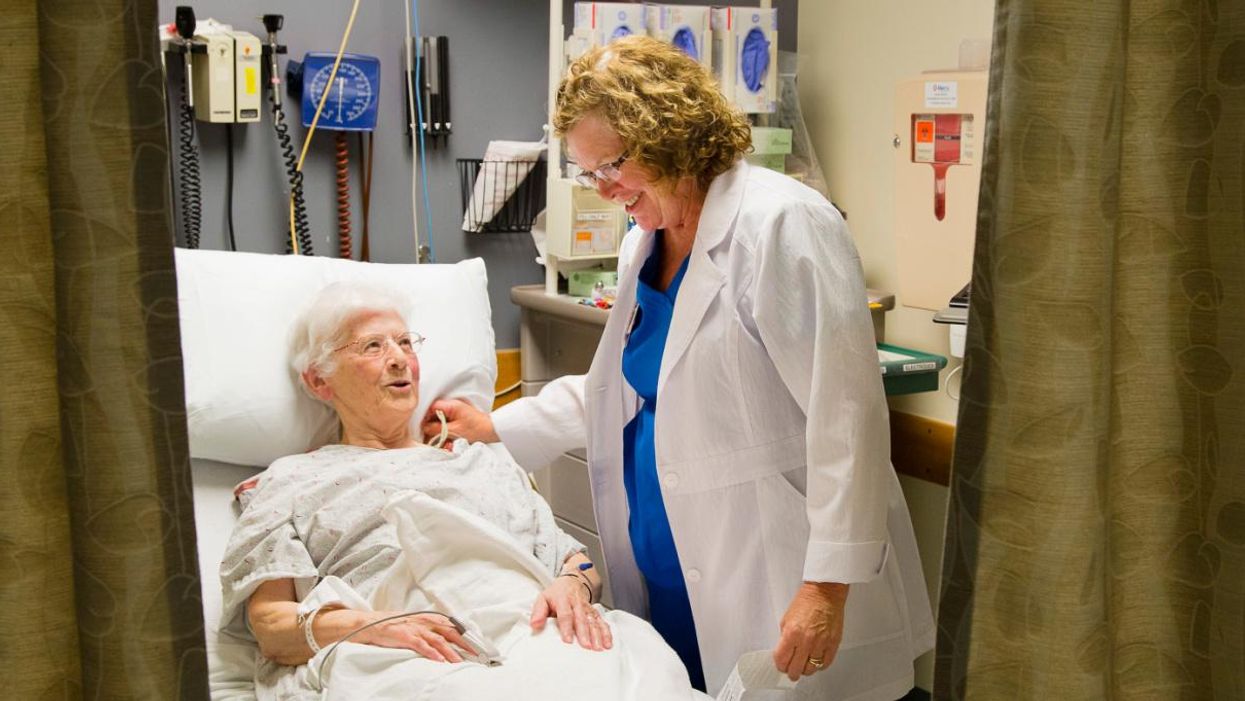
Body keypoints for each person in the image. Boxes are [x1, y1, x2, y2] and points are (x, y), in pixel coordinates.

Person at [423, 36, 935, 699]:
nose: (604, 191)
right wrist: (493, 424)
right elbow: (630, 387)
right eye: (589, 173)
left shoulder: (782, 223)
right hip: (677, 584)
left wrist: (825, 586)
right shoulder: (647, 240)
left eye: (611, 166)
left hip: (774, 572)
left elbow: (848, 418)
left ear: (668, 137)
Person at [217, 282, 705, 700]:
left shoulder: (479, 462)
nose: (399, 360)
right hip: (407, 645)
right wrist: (371, 627)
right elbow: (272, 627)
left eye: (406, 343)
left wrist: (573, 586)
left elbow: (573, 563)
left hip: (533, 629)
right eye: (372, 347)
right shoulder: (291, 481)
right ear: (318, 380)